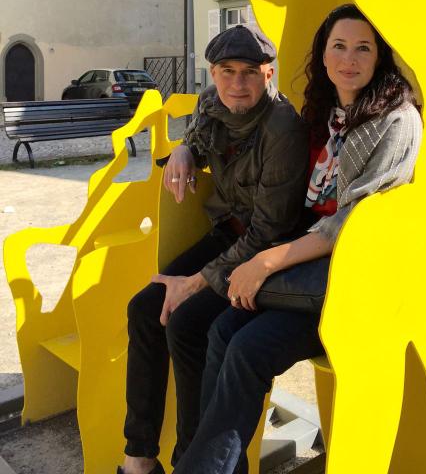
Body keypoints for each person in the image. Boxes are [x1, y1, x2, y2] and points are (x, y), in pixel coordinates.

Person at [171, 3, 423, 474]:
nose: (349, 59)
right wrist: (186, 146)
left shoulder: (397, 120)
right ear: (324, 55)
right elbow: (216, 102)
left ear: (380, 57)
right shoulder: (324, 114)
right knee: (222, 328)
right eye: (339, 46)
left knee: (243, 343)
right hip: (305, 271)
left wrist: (263, 263)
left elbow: (348, 224)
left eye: (363, 48)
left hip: (349, 280)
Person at [119, 25, 309, 474]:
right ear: (213, 72)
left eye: (250, 73)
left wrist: (197, 282)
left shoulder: (283, 128)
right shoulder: (212, 101)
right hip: (227, 234)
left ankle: (192, 457)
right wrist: (184, 149)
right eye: (227, 71)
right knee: (145, 308)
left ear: (269, 74)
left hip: (266, 252)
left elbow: (270, 231)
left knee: (185, 321)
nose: (237, 84)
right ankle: (139, 456)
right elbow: (202, 138)